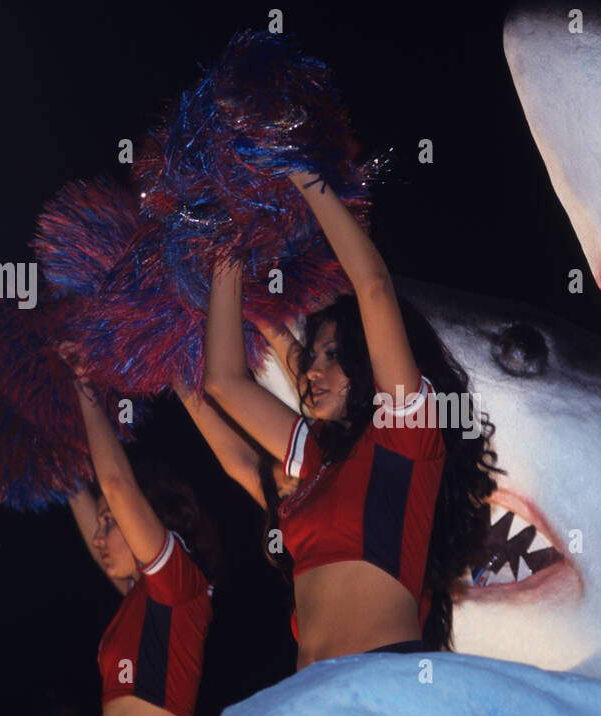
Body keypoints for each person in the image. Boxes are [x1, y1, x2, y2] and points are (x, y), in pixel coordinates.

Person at [203, 168, 500, 668]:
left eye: (332, 356)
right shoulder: (319, 454)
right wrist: (228, 250)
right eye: (312, 357)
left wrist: (302, 171)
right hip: (307, 695)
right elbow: (223, 382)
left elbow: (374, 288)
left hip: (379, 688)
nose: (312, 371)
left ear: (366, 364)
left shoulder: (405, 435)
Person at [61, 345, 220, 716]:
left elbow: (116, 485)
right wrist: (47, 442)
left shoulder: (180, 588)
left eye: (111, 523)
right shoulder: (140, 602)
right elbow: (86, 491)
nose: (99, 534)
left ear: (150, 521)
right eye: (104, 523)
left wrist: (86, 388)